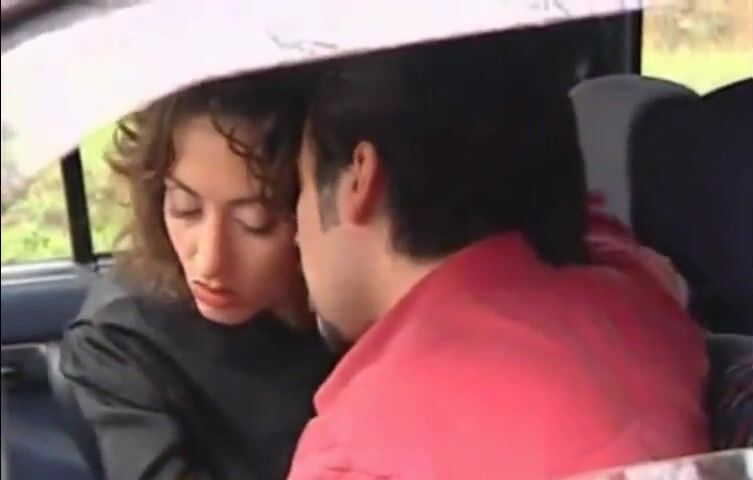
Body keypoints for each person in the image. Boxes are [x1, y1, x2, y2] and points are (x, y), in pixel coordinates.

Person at [287, 32, 709, 479]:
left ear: (360, 178)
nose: (294, 234)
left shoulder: (354, 455)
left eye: (300, 186)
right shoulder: (637, 290)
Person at [60, 71, 335, 480]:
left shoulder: (362, 303)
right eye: (185, 209)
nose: (209, 262)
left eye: (254, 223)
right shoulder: (121, 337)